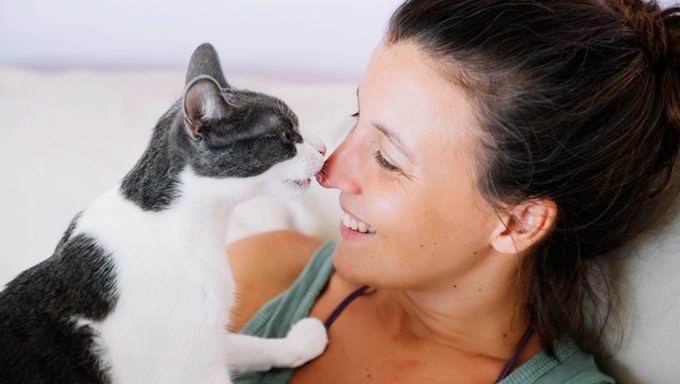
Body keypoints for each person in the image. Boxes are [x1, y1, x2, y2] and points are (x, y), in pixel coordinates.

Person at [228, 0, 680, 382]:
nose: (327, 172)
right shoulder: (258, 275)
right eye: (356, 115)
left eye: (387, 157)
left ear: (518, 223)